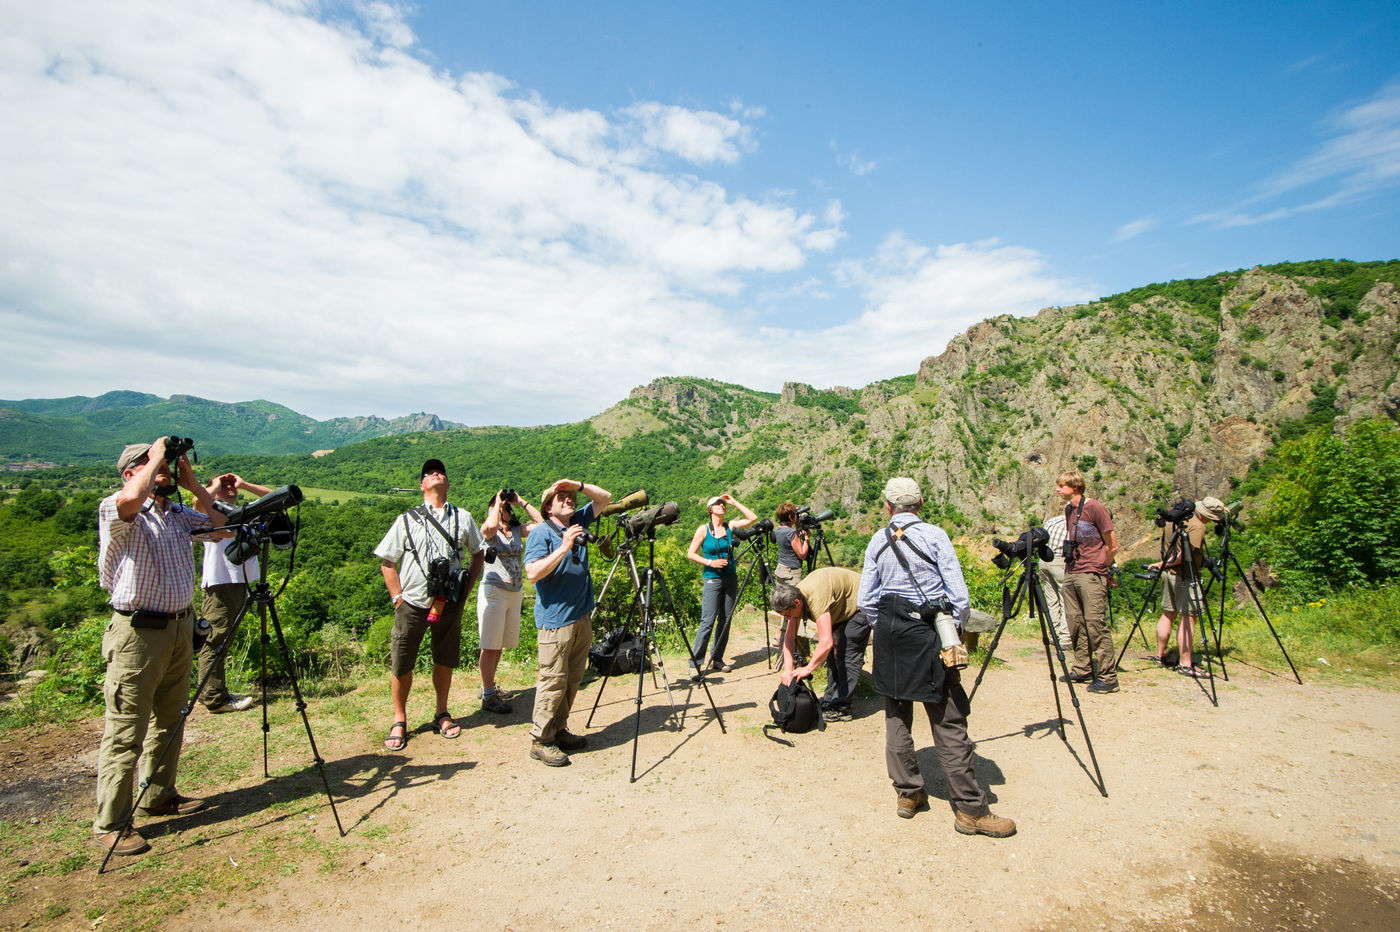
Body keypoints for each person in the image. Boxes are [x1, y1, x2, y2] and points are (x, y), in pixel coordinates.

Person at [858, 476, 1015, 836]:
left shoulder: (877, 540)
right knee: (947, 718)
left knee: (896, 714)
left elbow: (866, 601)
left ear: (888, 507)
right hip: (928, 635)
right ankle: (971, 810)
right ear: (921, 504)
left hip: (889, 638)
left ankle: (908, 794)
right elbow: (958, 597)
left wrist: (892, 625)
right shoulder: (935, 536)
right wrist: (951, 633)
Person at [93, 437, 227, 856]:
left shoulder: (176, 515)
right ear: (132, 472)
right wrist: (154, 456)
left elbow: (221, 528)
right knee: (126, 727)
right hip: (137, 634)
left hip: (178, 629)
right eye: (154, 465)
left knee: (171, 718)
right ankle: (112, 822)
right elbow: (130, 501)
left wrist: (193, 483)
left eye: (167, 464)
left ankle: (158, 794)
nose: (164, 469)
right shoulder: (118, 508)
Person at [374, 459, 485, 751]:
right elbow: (388, 562)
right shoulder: (406, 519)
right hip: (411, 603)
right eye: (428, 474)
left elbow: (478, 554)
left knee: (444, 658)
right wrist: (397, 598)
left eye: (440, 472)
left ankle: (442, 712)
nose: (435, 474)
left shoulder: (464, 517)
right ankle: (400, 718)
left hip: (447, 602)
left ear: (447, 484)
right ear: (422, 485)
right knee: (402, 661)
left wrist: (466, 590)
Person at [524, 478, 612, 766]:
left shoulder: (578, 521)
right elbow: (533, 573)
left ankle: (559, 730)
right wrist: (564, 546)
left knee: (572, 679)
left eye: (570, 496)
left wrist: (577, 484)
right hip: (556, 621)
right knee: (552, 680)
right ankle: (540, 740)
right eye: (560, 497)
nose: (568, 500)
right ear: (548, 507)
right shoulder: (541, 533)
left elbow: (605, 498)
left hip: (581, 616)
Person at [195, 472, 274, 714]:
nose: (230, 487)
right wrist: (215, 485)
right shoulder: (208, 512)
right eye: (225, 485)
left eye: (232, 485)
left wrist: (245, 484)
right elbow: (198, 502)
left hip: (242, 581)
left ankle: (211, 691)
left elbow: (274, 498)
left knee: (223, 638)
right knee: (215, 638)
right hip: (222, 582)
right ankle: (215, 698)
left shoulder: (242, 512)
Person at [475, 488, 543, 714]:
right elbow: (490, 528)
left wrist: (522, 502)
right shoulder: (488, 530)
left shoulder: (515, 530)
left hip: (514, 592)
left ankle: (491, 687)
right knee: (489, 644)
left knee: (500, 643)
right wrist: (496, 500)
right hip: (494, 590)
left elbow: (542, 524)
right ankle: (487, 694)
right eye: (503, 507)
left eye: (507, 507)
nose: (506, 509)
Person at [771, 566, 867, 722]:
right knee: (832, 656)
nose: (788, 618)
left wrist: (807, 669)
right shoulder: (795, 600)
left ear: (797, 602)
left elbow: (825, 642)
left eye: (788, 614)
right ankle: (830, 699)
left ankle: (842, 707)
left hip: (861, 604)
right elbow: (789, 639)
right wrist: (788, 670)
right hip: (839, 608)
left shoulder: (816, 597)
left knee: (848, 653)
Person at [1056, 470, 1120, 694]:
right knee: (1075, 621)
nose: (1058, 489)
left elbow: (1112, 544)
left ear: (1075, 486)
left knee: (1095, 623)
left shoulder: (1095, 508)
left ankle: (1107, 676)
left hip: (1091, 572)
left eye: (1062, 485)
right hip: (1072, 570)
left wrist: (1101, 566)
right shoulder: (1069, 509)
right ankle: (1082, 667)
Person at [1149, 497, 1228, 677]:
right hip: (1185, 576)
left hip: (1167, 574)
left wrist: (1162, 565)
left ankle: (1160, 655)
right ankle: (1185, 663)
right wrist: (1163, 563)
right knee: (1188, 617)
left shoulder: (1175, 519)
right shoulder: (1197, 527)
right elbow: (1184, 556)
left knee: (1167, 614)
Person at [685, 493, 758, 676]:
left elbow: (752, 518)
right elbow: (691, 554)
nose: (722, 506)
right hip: (712, 578)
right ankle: (695, 664)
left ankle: (717, 659)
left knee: (725, 621)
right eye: (718, 504)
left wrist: (734, 502)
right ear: (710, 510)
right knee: (708, 621)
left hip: (730, 577)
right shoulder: (703, 530)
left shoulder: (730, 526)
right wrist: (711, 563)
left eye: (723, 504)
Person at [1036, 512, 1071, 651]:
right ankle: (1065, 638)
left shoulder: (1052, 521)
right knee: (1067, 601)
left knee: (1052, 601)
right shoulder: (1072, 525)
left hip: (1044, 562)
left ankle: (1053, 634)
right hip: (1061, 562)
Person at [772, 502, 811, 587]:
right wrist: (807, 539)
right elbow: (802, 554)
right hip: (792, 573)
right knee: (794, 598)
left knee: (782, 598)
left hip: (781, 569)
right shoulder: (791, 533)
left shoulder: (778, 530)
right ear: (790, 517)